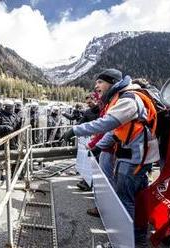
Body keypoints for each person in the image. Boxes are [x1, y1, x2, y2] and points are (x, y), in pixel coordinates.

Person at [60, 68, 160, 247]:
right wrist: (99, 147)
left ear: (112, 82)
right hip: (131, 159)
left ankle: (129, 243)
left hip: (132, 162)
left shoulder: (128, 99)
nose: (96, 86)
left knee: (125, 204)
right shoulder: (124, 97)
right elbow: (117, 130)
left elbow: (108, 123)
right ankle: (136, 242)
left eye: (100, 82)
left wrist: (75, 130)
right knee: (133, 203)